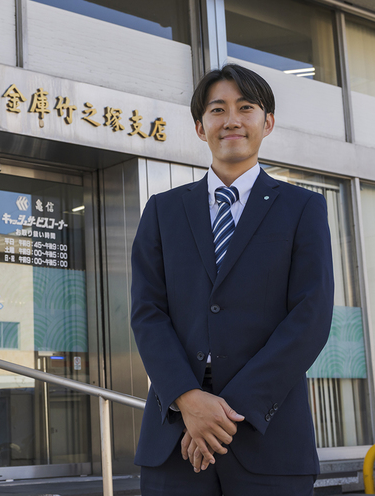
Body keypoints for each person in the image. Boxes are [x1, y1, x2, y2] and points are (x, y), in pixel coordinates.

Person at [130, 63, 334, 495]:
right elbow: (147, 313)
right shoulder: (163, 211)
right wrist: (188, 400)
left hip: (268, 435)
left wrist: (221, 415)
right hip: (175, 438)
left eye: (245, 108)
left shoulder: (302, 208)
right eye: (217, 110)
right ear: (200, 127)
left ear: (268, 123)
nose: (232, 120)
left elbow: (310, 317)